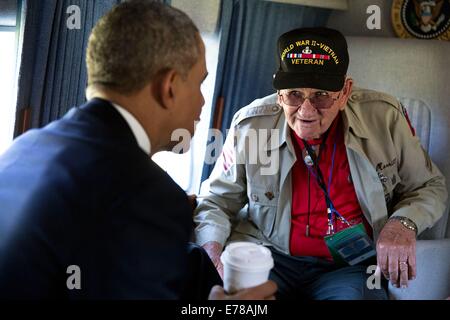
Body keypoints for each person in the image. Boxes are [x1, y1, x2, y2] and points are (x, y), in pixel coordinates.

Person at [0, 0, 276, 300]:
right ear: (169, 86)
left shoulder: (25, 147)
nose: (202, 103)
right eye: (199, 84)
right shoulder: (147, 195)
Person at [194, 27, 447, 300]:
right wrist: (212, 253)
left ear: (345, 91)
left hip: (346, 267)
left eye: (321, 96)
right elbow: (216, 201)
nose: (306, 111)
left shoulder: (385, 119)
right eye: (294, 95)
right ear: (279, 94)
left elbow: (430, 185)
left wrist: (402, 224)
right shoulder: (251, 126)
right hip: (266, 255)